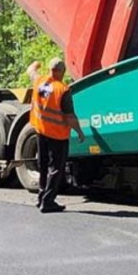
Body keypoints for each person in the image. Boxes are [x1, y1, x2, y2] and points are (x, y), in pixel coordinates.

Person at [26, 57, 85, 213]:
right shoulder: (62, 90)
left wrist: (35, 64)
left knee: (43, 165)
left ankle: (41, 197)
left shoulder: (39, 81)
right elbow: (70, 117)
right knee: (55, 168)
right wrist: (79, 131)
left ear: (50, 70)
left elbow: (31, 72)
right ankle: (48, 201)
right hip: (57, 135)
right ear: (62, 72)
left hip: (41, 131)